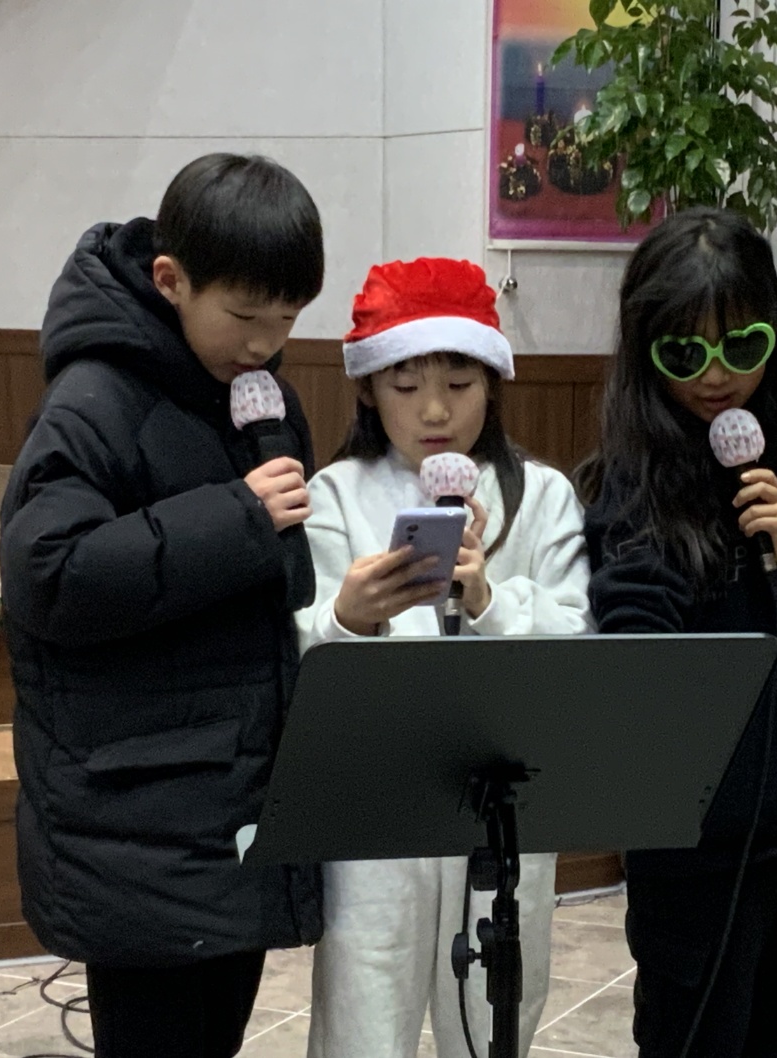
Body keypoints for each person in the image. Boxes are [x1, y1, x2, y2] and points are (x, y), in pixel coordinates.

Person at [0, 153, 325, 1058]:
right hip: (137, 811)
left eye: (288, 319)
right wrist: (238, 518)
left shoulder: (258, 401)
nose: (265, 344)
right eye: (245, 318)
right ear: (171, 281)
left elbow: (278, 575)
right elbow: (47, 575)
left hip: (228, 797)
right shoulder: (93, 401)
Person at [578, 208, 777, 1058]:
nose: (715, 376)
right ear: (646, 352)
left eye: (740, 346)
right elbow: (632, 642)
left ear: (775, 334)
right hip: (690, 833)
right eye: (684, 355)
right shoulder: (634, 470)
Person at [297, 257, 592, 1058]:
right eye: (404, 385)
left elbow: (577, 639)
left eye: (459, 384)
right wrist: (349, 619)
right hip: (376, 798)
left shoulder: (540, 494)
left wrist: (489, 598)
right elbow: (296, 646)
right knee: (365, 1007)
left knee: (496, 1010)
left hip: (504, 798)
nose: (434, 410)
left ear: (491, 384)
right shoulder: (335, 494)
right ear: (367, 389)